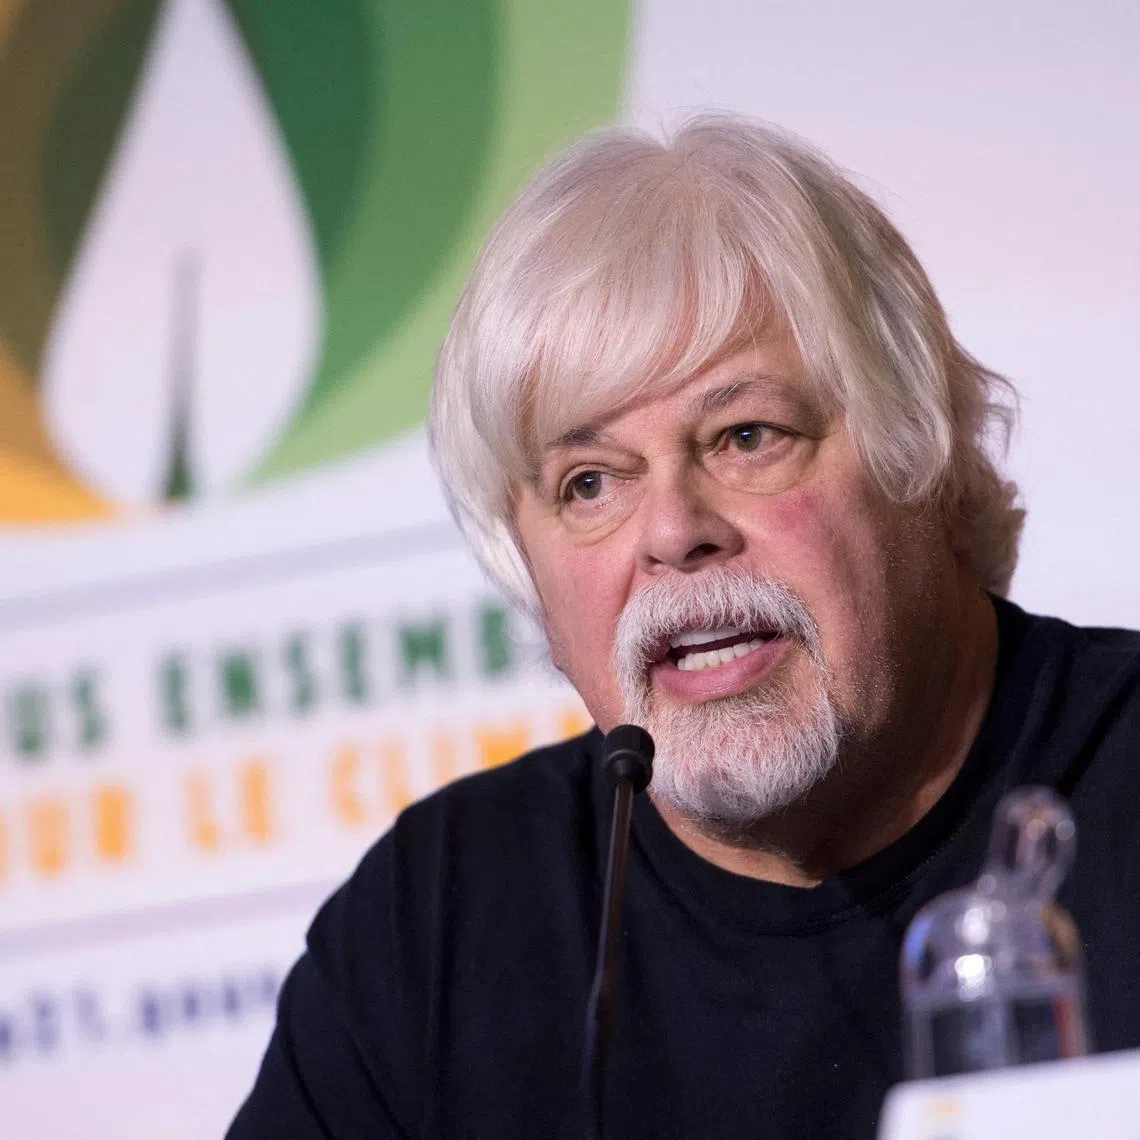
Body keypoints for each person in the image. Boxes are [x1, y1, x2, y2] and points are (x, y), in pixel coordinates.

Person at [228, 115, 1140, 1139]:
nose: (673, 533)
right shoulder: (438, 922)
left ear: (917, 456)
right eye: (590, 484)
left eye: (747, 436)